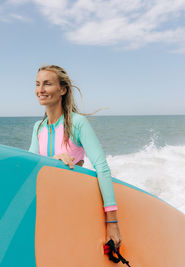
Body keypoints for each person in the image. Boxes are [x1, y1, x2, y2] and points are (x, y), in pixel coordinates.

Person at [29, 65, 121, 248]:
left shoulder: (78, 123)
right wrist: (52, 162)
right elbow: (30, 168)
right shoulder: (38, 127)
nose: (40, 90)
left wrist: (112, 223)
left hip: (73, 204)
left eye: (47, 84)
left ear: (62, 89)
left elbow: (101, 167)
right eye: (38, 84)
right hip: (46, 208)